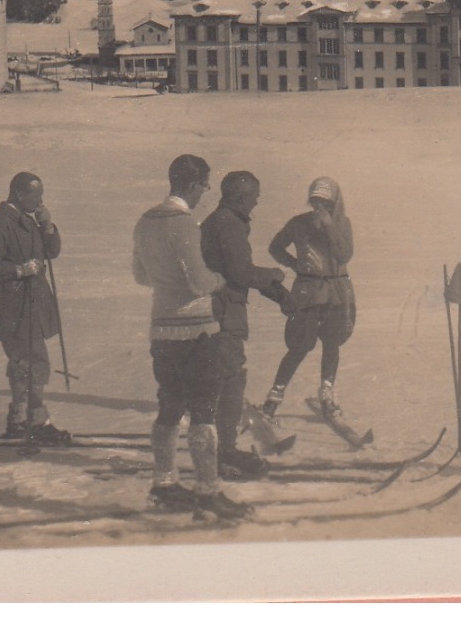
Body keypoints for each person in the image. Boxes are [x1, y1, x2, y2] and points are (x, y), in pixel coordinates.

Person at [132, 154, 251, 519]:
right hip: (197, 331)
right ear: (195, 185)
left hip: (161, 329)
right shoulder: (185, 225)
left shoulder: (145, 221)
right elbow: (199, 281)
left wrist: (167, 285)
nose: (205, 194)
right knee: (203, 411)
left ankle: (164, 483)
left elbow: (140, 275)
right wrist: (218, 282)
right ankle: (207, 490)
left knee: (168, 407)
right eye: (205, 186)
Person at [199, 170, 289, 479]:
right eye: (253, 198)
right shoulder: (229, 225)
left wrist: (278, 295)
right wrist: (274, 276)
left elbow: (235, 271)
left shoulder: (219, 221)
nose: (255, 204)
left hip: (215, 311)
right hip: (223, 315)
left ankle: (218, 449)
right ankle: (226, 453)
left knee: (218, 381)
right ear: (240, 197)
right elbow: (241, 272)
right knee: (230, 381)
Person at [0, 172, 70, 444]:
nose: (41, 201)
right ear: (19, 194)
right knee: (32, 360)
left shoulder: (28, 221)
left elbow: (51, 253)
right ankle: (35, 421)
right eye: (36, 195)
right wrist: (19, 270)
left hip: (31, 304)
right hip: (12, 304)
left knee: (25, 361)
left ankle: (19, 419)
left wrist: (48, 227)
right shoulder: (0, 222)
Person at [262, 176, 356, 418]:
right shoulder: (298, 223)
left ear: (335, 204)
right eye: (315, 202)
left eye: (325, 203)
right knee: (300, 346)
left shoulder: (342, 224)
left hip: (336, 295)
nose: (319, 208)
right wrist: (295, 265)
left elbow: (344, 255)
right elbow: (275, 247)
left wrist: (329, 227)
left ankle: (326, 395)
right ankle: (273, 398)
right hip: (307, 294)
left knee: (331, 344)